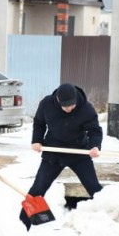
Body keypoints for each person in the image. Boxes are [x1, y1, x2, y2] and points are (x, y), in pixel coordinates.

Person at [23, 83, 103, 227]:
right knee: (38, 188)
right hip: (53, 152)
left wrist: (95, 146)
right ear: (58, 100)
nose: (68, 109)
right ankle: (26, 222)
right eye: (65, 106)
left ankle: (107, 217)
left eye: (71, 106)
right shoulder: (46, 104)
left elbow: (95, 130)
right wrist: (36, 140)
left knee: (94, 187)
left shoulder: (86, 108)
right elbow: (39, 122)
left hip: (79, 152)